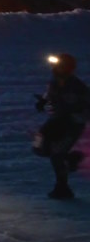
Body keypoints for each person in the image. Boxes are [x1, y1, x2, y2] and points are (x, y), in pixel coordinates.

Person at [33, 52, 89, 200]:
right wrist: (43, 102)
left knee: (57, 154)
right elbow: (50, 94)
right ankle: (72, 159)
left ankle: (62, 187)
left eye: (61, 66)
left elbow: (86, 104)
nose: (57, 69)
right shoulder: (54, 81)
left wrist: (76, 113)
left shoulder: (77, 86)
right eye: (57, 66)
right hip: (57, 120)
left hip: (72, 123)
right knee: (40, 147)